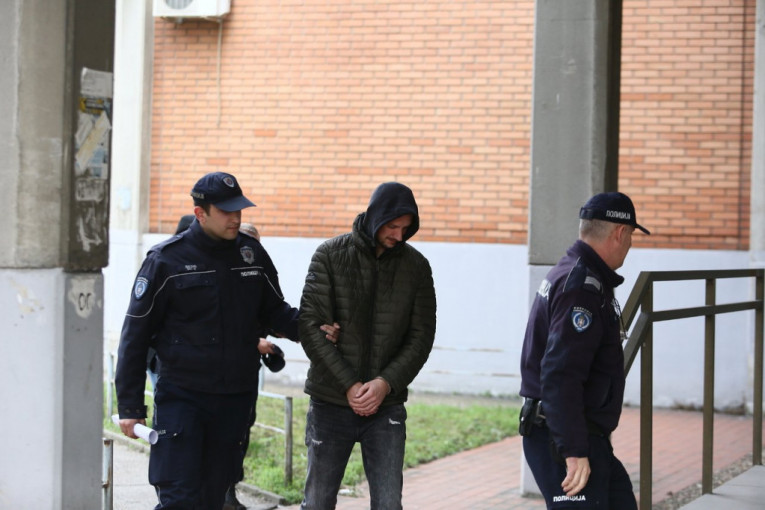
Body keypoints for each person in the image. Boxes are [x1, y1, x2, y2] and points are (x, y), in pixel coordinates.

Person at [114, 171, 330, 509]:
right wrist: (130, 406)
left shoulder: (251, 255)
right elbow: (135, 334)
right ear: (200, 213)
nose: (236, 218)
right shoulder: (165, 261)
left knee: (215, 497)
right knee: (179, 499)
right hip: (183, 397)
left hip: (234, 399)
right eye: (226, 211)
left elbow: (275, 312)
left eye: (239, 210)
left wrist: (314, 329)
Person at [298, 181, 437, 510]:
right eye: (392, 226)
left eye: (405, 228)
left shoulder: (417, 267)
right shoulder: (329, 255)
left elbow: (421, 337)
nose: (399, 236)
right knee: (317, 502)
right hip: (330, 402)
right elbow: (311, 328)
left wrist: (384, 383)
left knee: (388, 503)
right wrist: (349, 384)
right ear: (376, 217)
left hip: (386, 406)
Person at [519, 191, 650, 509]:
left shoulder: (578, 274)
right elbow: (560, 374)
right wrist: (574, 451)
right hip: (563, 436)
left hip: (578, 432)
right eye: (631, 236)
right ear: (619, 232)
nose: (630, 245)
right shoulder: (581, 288)